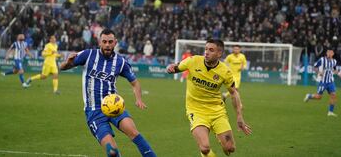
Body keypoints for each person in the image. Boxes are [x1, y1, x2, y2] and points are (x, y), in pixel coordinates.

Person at [59, 29, 156, 157]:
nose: (107, 45)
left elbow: (135, 83)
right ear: (100, 42)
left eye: (110, 42)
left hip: (115, 106)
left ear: (115, 42)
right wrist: (68, 63)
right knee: (112, 151)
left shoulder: (120, 62)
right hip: (94, 111)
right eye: (104, 41)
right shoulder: (88, 55)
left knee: (134, 133)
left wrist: (138, 98)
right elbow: (62, 67)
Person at [166, 39, 252, 157]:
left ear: (219, 53)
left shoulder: (225, 71)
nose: (206, 52)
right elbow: (175, 68)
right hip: (196, 110)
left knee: (230, 148)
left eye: (211, 50)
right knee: (205, 148)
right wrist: (170, 67)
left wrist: (239, 116)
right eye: (206, 49)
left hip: (217, 111)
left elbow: (234, 93)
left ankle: (219, 135)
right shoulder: (193, 60)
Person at [304, 48, 341, 117]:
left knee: (333, 95)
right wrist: (319, 72)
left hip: (330, 82)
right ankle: (309, 96)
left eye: (331, 52)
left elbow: (335, 70)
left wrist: (338, 74)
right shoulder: (322, 60)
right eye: (328, 52)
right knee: (319, 97)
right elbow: (314, 67)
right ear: (326, 53)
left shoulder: (334, 61)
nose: (329, 53)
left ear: (333, 54)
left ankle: (330, 112)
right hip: (323, 82)